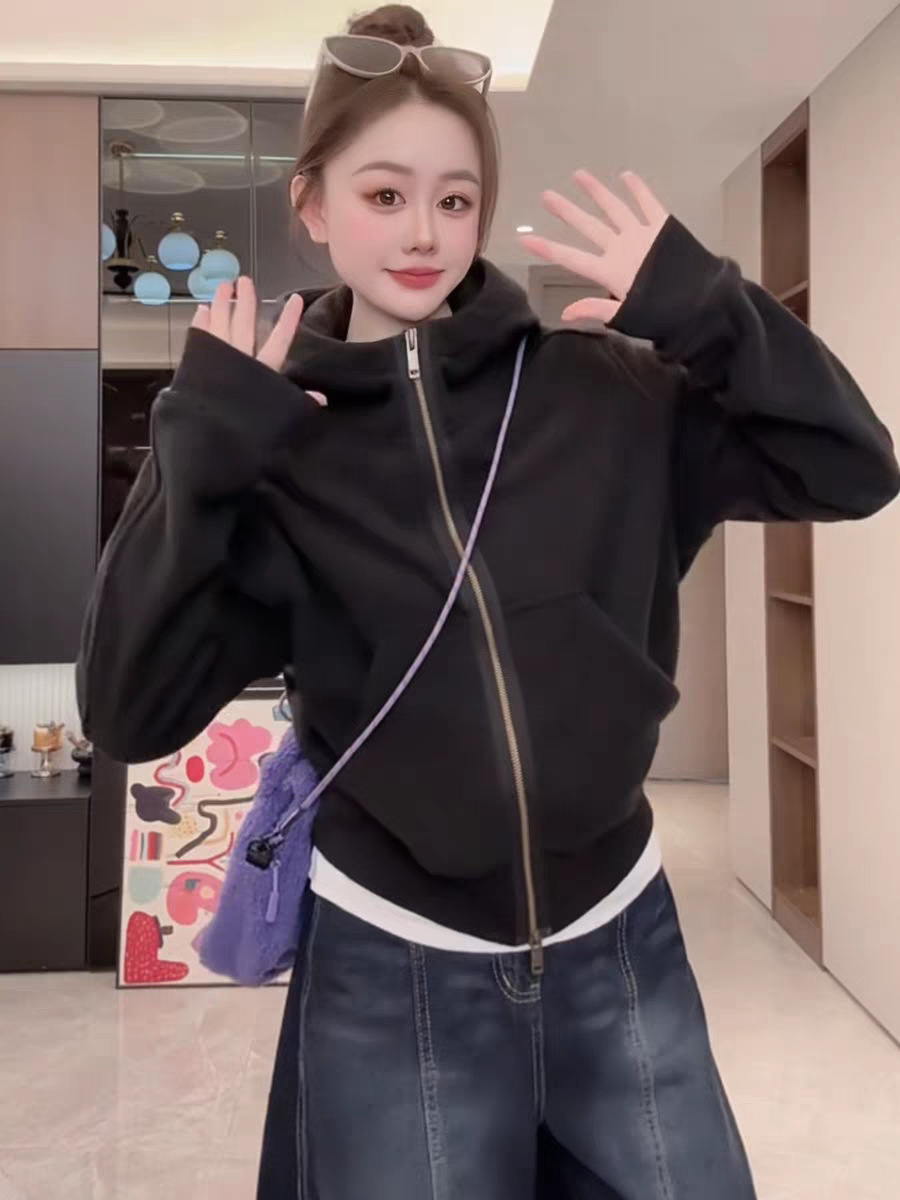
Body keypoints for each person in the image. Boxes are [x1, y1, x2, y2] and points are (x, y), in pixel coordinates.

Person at [77, 5, 900, 1199]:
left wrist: (710, 307)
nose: (423, 233)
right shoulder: (275, 448)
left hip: (618, 943)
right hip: (391, 964)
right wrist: (195, 460)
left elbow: (855, 467)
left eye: (454, 199)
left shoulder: (606, 391)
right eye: (384, 194)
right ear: (313, 205)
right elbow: (126, 710)